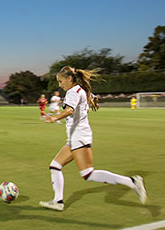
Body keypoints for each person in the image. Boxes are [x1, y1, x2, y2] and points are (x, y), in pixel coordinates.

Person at [40, 66, 147, 211]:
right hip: (76, 137)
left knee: (88, 173)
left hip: (79, 136)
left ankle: (132, 182)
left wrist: (54, 118)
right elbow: (90, 97)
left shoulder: (73, 92)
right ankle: (57, 201)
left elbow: (70, 110)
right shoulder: (80, 90)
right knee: (55, 166)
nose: (59, 85)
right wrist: (93, 100)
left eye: (60, 81)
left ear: (69, 78)